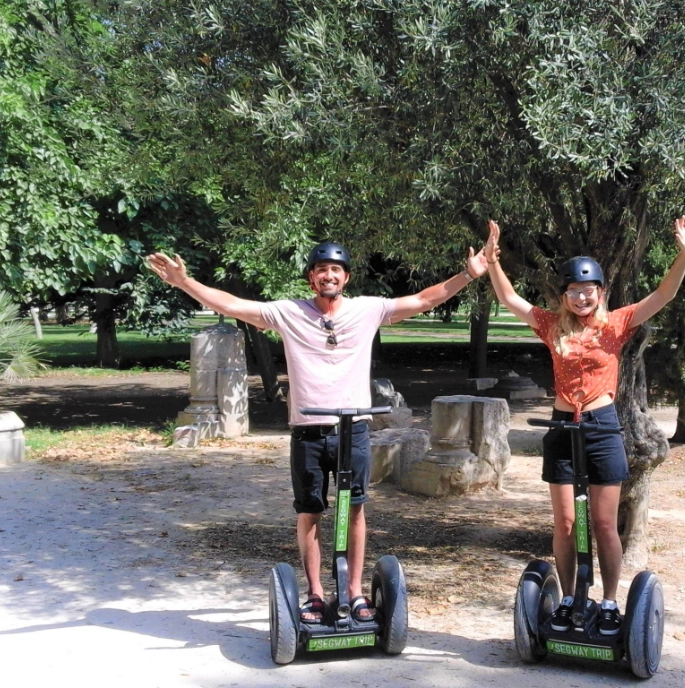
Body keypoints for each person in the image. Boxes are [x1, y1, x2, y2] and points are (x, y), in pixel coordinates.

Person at [147, 242, 489, 623]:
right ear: (311, 277)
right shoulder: (288, 312)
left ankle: (355, 592)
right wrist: (185, 282)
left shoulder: (367, 309)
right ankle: (314, 594)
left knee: (354, 509)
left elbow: (425, 299)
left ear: (346, 277)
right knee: (310, 511)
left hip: (353, 430)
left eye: (336, 269)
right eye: (321, 269)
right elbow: (232, 304)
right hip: (308, 431)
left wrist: (469, 274)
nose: (329, 275)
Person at [483, 216, 685, 635]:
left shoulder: (616, 325)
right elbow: (510, 299)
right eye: (573, 291)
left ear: (601, 292)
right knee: (563, 523)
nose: (581, 298)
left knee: (602, 523)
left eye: (588, 290)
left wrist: (684, 253)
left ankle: (611, 600)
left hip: (602, 426)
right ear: (564, 295)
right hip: (563, 427)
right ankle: (566, 597)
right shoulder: (550, 325)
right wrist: (492, 262)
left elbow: (663, 294)